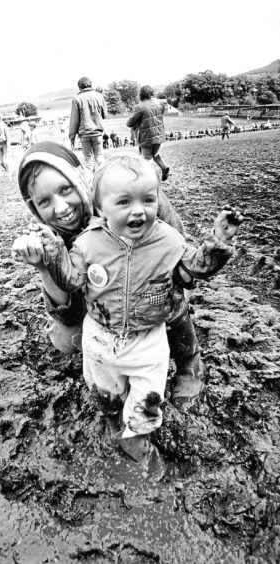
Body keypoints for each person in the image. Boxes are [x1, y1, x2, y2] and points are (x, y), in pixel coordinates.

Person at [33, 154, 242, 463]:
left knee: (148, 397)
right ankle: (113, 418)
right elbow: (71, 279)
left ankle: (137, 434)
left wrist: (217, 243)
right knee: (106, 391)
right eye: (124, 202)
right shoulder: (88, 242)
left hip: (150, 336)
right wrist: (52, 253)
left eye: (148, 199)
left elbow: (197, 266)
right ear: (100, 208)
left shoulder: (167, 237)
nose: (138, 210)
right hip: (100, 336)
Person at [12, 142, 215, 418]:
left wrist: (174, 287)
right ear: (33, 207)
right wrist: (44, 268)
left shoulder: (130, 192)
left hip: (155, 290)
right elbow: (69, 314)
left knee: (169, 301)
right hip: (104, 306)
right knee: (66, 336)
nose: (60, 208)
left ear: (81, 179)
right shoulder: (49, 239)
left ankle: (189, 361)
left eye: (65, 189)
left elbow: (183, 249)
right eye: (44, 201)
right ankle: (117, 370)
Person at [126, 85, 170, 181]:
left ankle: (149, 180)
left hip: (146, 136)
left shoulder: (140, 106)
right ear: (151, 93)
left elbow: (129, 123)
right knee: (155, 153)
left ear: (141, 94)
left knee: (147, 158)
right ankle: (164, 167)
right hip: (159, 134)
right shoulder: (160, 104)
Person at [69, 77, 107, 171]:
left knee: (88, 161)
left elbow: (74, 120)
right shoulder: (99, 96)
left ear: (80, 87)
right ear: (90, 84)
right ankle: (105, 178)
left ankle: (89, 183)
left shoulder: (77, 99)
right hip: (97, 133)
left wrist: (72, 137)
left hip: (84, 134)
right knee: (99, 157)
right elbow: (104, 115)